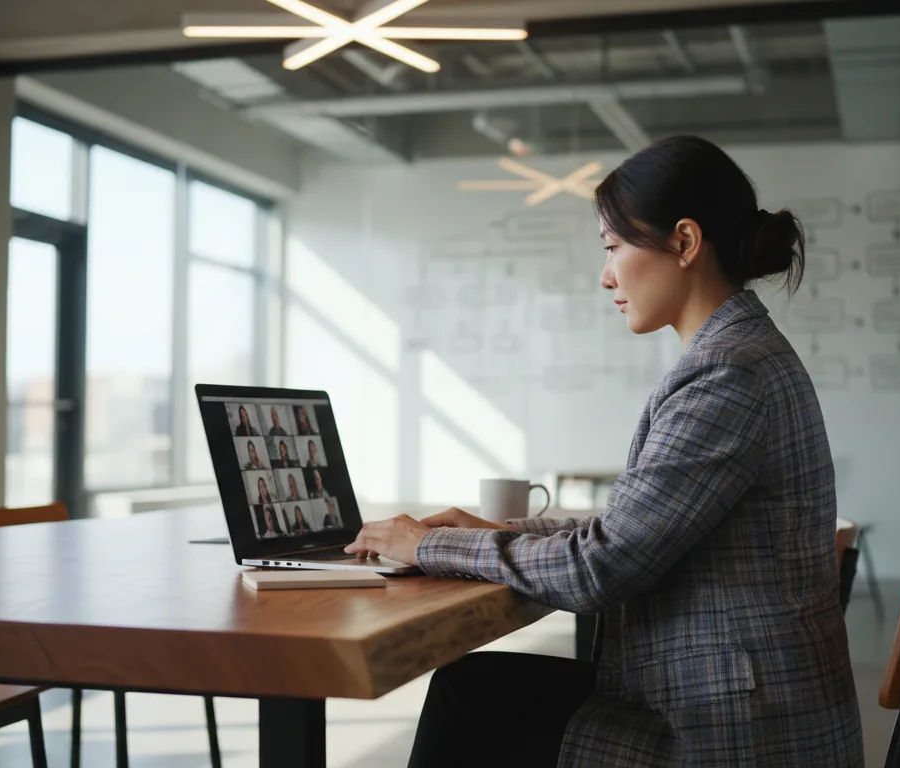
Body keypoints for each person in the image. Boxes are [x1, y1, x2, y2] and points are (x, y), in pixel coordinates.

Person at [344, 136, 863, 767]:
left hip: (732, 733)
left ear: (685, 242)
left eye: (614, 246)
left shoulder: (727, 375)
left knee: (469, 701)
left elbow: (602, 568)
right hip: (743, 702)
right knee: (471, 688)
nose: (605, 274)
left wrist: (427, 545)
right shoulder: (740, 354)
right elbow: (629, 531)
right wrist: (501, 530)